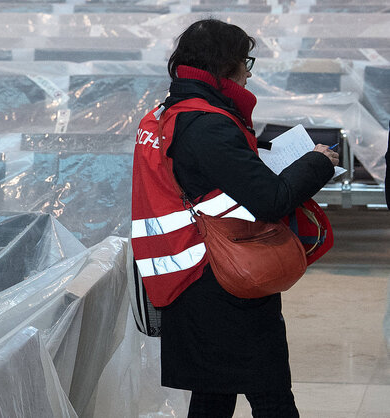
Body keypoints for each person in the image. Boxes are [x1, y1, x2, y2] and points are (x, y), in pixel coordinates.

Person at [130, 19, 339, 417]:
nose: (247, 72)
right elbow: (271, 199)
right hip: (221, 280)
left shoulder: (170, 112)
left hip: (188, 274)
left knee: (213, 394)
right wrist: (316, 163)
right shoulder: (207, 124)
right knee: (270, 393)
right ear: (225, 65)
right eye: (245, 62)